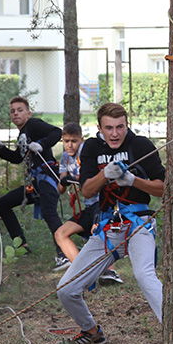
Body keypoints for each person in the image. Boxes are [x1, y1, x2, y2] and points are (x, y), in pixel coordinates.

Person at [56, 103, 165, 344]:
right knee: (66, 289)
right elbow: (86, 191)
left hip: (139, 223)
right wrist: (105, 174)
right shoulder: (92, 148)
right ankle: (91, 331)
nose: (115, 134)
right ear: (99, 128)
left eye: (120, 127)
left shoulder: (141, 145)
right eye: (109, 128)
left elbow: (163, 187)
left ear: (127, 125)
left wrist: (133, 180)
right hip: (107, 227)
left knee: (144, 275)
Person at [0, 96, 67, 270]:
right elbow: (18, 157)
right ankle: (22, 247)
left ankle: (64, 254)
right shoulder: (23, 133)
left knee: (49, 213)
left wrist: (42, 144)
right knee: (3, 204)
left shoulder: (32, 124)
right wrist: (1, 149)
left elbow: (56, 131)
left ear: (28, 113)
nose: (16, 113)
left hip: (47, 176)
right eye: (12, 111)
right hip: (35, 182)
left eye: (20, 110)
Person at [54, 122, 122, 285]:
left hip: (102, 201)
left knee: (97, 230)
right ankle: (84, 272)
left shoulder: (87, 151)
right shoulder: (65, 157)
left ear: (81, 140)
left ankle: (110, 272)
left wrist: (75, 178)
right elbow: (61, 188)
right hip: (88, 206)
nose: (70, 145)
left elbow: (94, 176)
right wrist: (64, 180)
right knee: (60, 233)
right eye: (66, 141)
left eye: (74, 141)